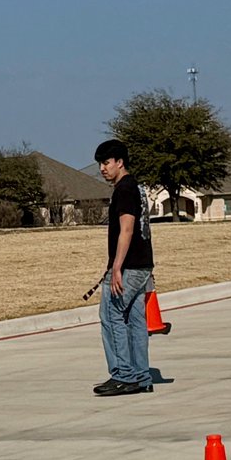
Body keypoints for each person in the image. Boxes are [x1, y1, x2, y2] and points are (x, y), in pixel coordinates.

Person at [93, 139, 154, 396]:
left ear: (120, 162)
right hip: (142, 265)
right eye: (100, 164)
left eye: (106, 163)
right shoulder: (136, 188)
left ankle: (123, 375)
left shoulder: (125, 189)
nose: (102, 169)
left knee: (111, 314)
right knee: (136, 320)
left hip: (129, 267)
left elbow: (127, 228)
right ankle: (141, 376)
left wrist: (116, 267)